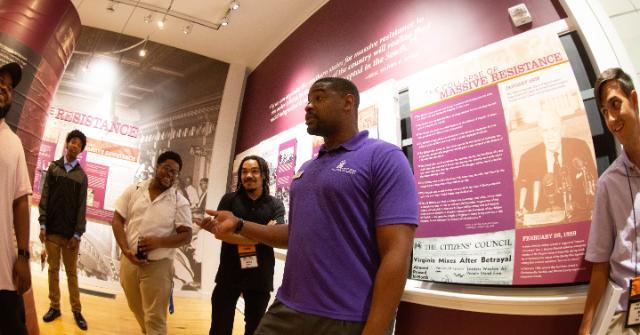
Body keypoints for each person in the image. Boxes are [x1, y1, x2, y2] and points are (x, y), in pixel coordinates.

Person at [199, 77, 418, 334]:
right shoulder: (306, 170)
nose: (308, 107)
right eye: (308, 100)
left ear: (348, 103)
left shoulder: (384, 157)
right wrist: (239, 224)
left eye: (319, 98)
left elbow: (397, 251)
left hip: (345, 317)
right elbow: (295, 234)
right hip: (286, 308)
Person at [579, 68, 640, 335]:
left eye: (615, 104)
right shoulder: (608, 184)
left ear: (634, 101)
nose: (612, 119)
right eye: (605, 112)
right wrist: (586, 328)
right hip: (630, 313)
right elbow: (600, 263)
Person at [111, 151, 193, 335]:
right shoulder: (135, 190)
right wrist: (125, 250)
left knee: (155, 318)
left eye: (175, 173)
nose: (170, 175)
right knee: (135, 307)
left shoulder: (180, 202)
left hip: (158, 267)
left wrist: (160, 242)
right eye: (167, 169)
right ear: (157, 167)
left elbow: (186, 236)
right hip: (129, 261)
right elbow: (117, 220)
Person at [209, 155, 285, 335]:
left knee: (255, 330)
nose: (248, 175)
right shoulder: (228, 200)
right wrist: (262, 235)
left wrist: (239, 232)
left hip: (260, 277)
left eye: (254, 171)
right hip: (229, 274)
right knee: (219, 328)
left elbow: (277, 236)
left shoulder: (275, 204)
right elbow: (222, 234)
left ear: (264, 175)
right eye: (244, 171)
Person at [38, 129, 89, 330]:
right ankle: (55, 306)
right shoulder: (53, 169)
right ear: (67, 144)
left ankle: (77, 311)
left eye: (79, 144)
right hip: (51, 232)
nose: (75, 145)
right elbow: (45, 198)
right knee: (52, 270)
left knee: (72, 274)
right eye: (73, 142)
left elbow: (81, 207)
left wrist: (77, 233)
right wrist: (43, 225)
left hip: (70, 237)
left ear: (81, 151)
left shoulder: (81, 177)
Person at [515, 109, 596, 222]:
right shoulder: (527, 158)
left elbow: (595, 184)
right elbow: (520, 201)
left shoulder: (580, 148)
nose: (550, 136)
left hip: (578, 218)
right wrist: (522, 210)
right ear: (540, 132)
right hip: (546, 222)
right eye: (545, 131)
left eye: (554, 129)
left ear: (562, 129)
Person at [0, 62, 31, 335]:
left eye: (9, 87)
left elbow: (21, 201)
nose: (4, 89)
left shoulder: (12, 143)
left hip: (1, 268)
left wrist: (23, 255)